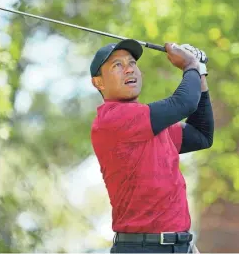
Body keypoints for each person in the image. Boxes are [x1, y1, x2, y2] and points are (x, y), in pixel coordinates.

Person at [90, 39, 214, 253]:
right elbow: (183, 103)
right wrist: (190, 65)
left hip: (180, 246)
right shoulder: (112, 119)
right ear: (98, 83)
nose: (128, 69)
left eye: (132, 63)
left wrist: (199, 72)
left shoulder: (149, 123)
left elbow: (201, 135)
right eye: (117, 65)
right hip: (143, 248)